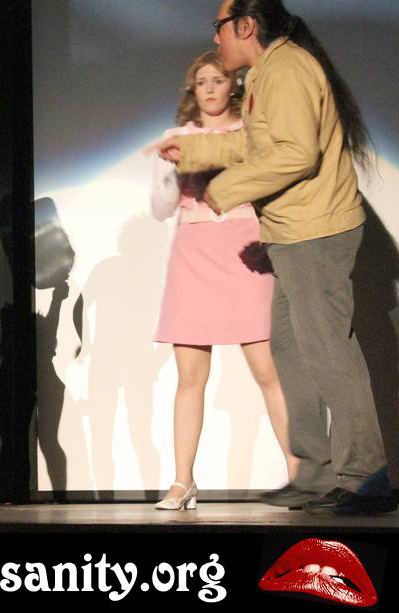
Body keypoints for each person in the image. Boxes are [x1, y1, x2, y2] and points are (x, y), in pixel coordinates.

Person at [158, 0, 395, 514]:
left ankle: (366, 479)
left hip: (315, 231)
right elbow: (255, 143)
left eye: (219, 26)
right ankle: (314, 473)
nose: (215, 37)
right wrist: (194, 151)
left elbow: (295, 153)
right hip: (290, 234)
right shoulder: (268, 72)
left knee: (329, 351)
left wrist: (225, 190)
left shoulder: (287, 69)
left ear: (245, 26)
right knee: (291, 352)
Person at [151, 51, 298, 511]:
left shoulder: (251, 132)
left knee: (268, 370)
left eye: (218, 80)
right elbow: (159, 209)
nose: (211, 88)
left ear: (233, 85)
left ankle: (301, 472)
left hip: (244, 248)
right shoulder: (178, 138)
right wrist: (172, 171)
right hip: (193, 253)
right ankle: (182, 481)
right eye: (202, 82)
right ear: (192, 90)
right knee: (190, 377)